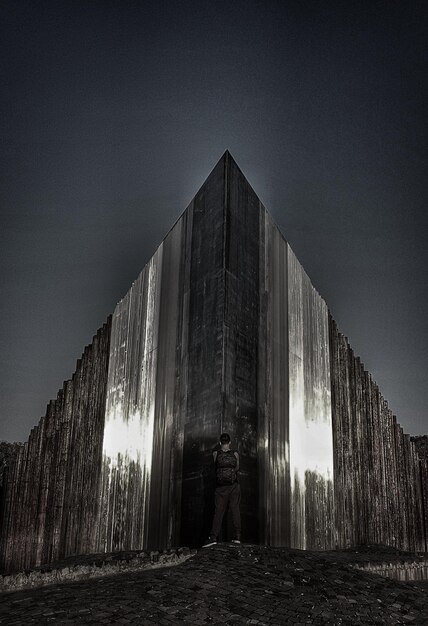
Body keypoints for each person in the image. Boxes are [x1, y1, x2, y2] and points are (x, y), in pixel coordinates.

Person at [203, 433, 241, 547]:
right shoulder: (235, 454)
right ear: (229, 442)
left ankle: (213, 537)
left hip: (220, 488)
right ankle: (238, 537)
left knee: (218, 512)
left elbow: (215, 467)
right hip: (234, 486)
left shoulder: (215, 454)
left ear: (220, 442)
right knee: (235, 510)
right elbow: (237, 468)